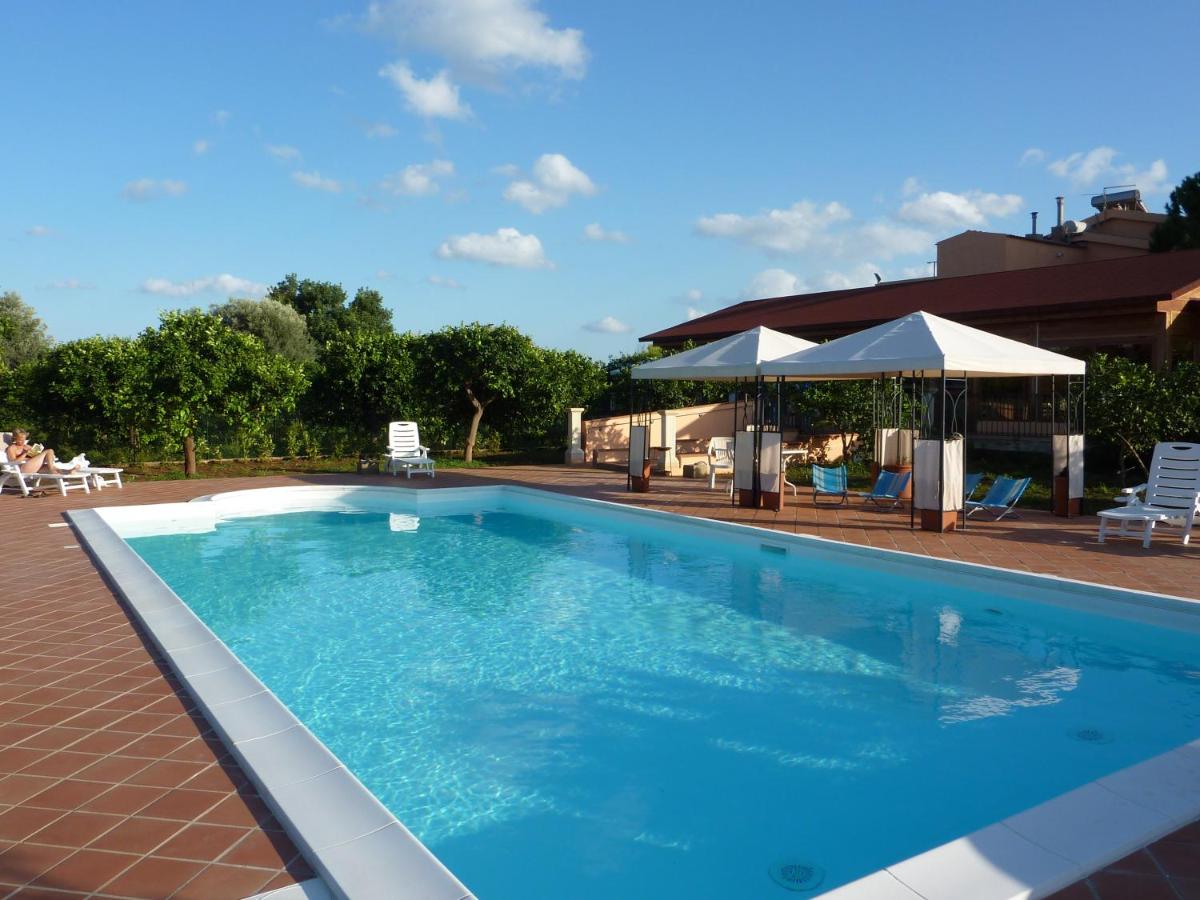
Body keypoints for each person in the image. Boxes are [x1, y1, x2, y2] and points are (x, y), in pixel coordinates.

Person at [5, 429, 76, 474]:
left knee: (50, 467)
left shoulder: (27, 446)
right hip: (23, 468)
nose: (23, 441)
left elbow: (33, 457)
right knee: (50, 451)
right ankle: (52, 469)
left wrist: (37, 452)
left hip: (33, 466)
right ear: (15, 438)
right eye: (20, 439)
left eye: (24, 439)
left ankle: (67, 472)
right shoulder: (11, 448)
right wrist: (25, 454)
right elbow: (13, 462)